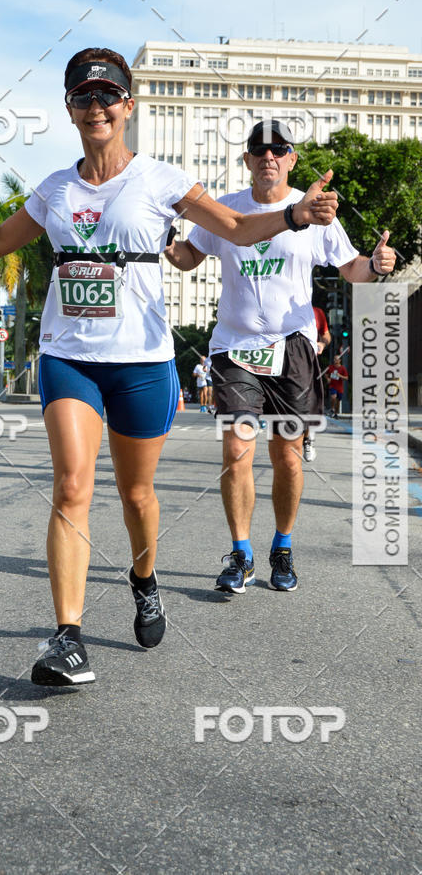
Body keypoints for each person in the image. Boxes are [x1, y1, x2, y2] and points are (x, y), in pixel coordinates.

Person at [0, 54, 337, 685]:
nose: (97, 107)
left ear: (128, 107)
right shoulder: (55, 187)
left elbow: (240, 228)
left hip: (140, 360)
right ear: (70, 110)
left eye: (109, 95)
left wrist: (297, 214)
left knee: (136, 494)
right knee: (72, 488)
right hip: (68, 356)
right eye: (84, 97)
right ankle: (68, 638)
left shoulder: (164, 180)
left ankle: (144, 578)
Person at [166, 119, 395, 594]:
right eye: (258, 149)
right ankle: (241, 553)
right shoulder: (226, 210)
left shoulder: (313, 212)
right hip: (235, 346)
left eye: (279, 150)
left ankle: (282, 547)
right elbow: (190, 254)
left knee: (288, 457)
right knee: (236, 451)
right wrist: (167, 245)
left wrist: (374, 265)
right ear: (247, 160)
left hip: (292, 347)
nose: (268, 156)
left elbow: (350, 267)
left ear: (291, 159)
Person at [302, 306, 331, 461]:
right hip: (282, 365)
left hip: (309, 364)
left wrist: (322, 344)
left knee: (308, 402)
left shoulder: (317, 312)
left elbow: (326, 334)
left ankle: (308, 439)